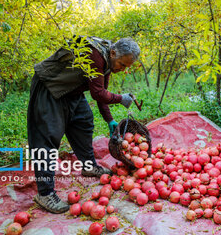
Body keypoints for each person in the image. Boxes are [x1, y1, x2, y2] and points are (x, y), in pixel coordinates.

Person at [27, 36, 140, 213]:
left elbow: (101, 91)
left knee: (84, 121)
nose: (122, 68)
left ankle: (88, 166)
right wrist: (120, 99)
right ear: (113, 53)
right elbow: (98, 93)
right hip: (49, 86)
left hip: (71, 91)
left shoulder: (108, 61)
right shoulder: (95, 55)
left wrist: (109, 119)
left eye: (126, 67)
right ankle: (45, 193)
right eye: (122, 64)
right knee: (47, 137)